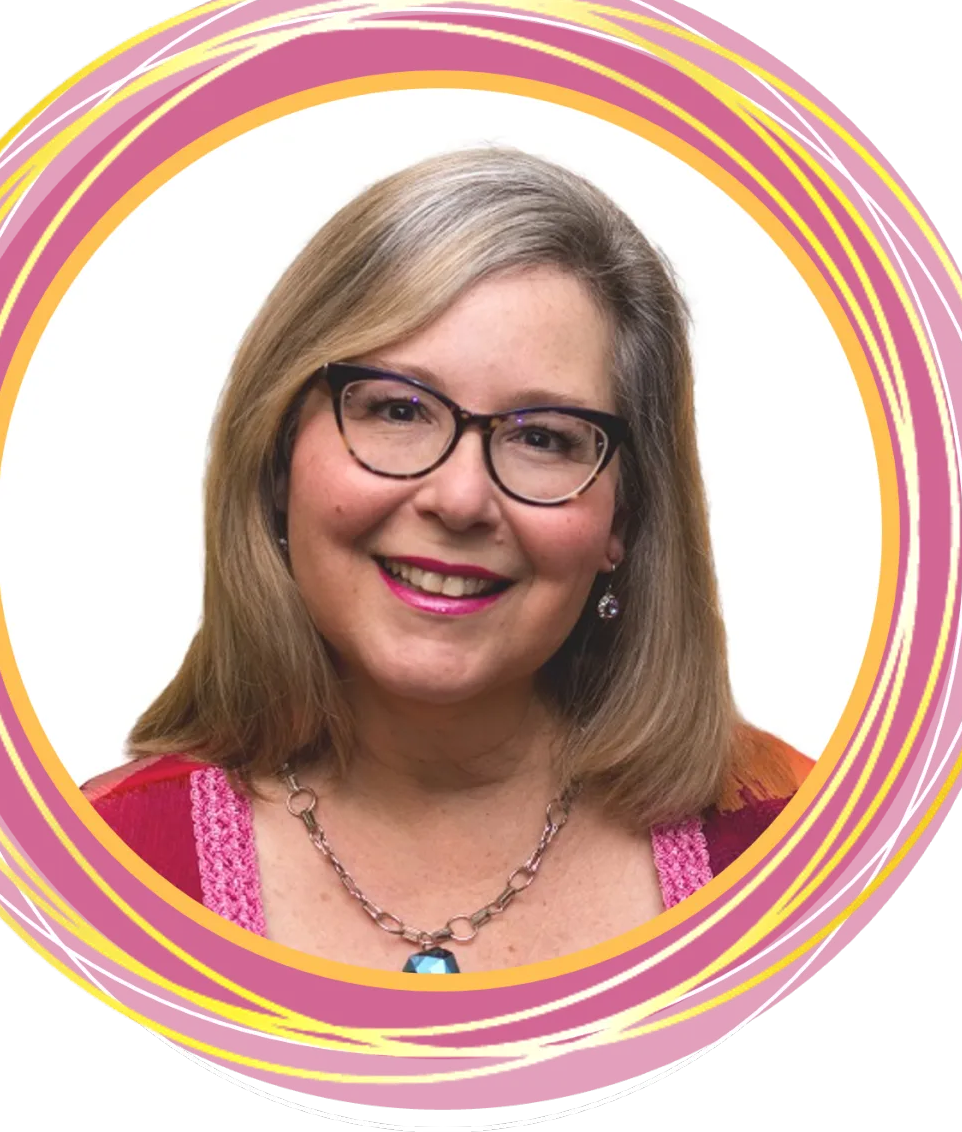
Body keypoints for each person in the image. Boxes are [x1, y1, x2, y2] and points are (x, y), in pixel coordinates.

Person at [82, 147, 813, 974]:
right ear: (280, 459)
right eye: (398, 409)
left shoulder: (813, 842)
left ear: (626, 514)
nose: (461, 499)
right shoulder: (81, 870)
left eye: (545, 437)